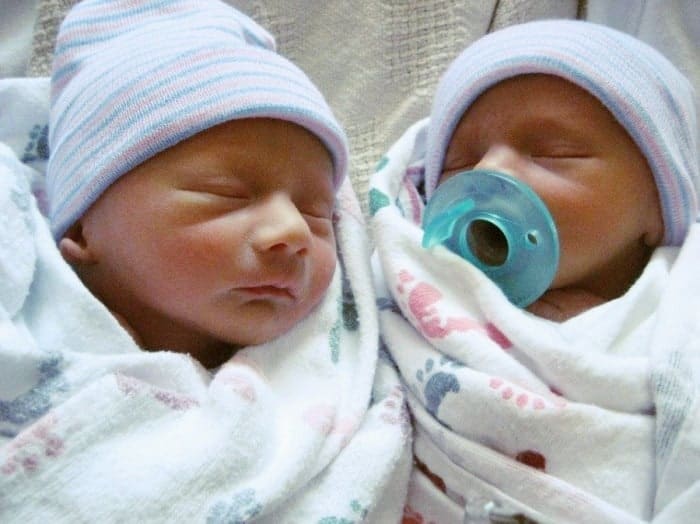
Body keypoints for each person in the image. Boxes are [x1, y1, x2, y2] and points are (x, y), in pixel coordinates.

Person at [0, 0, 411, 521]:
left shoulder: (334, 393)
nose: (292, 232)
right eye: (227, 195)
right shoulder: (27, 333)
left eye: (317, 213)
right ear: (82, 225)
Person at [369, 19, 699, 523]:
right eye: (459, 164)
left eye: (553, 152)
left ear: (660, 204)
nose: (491, 171)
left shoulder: (683, 304)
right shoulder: (404, 285)